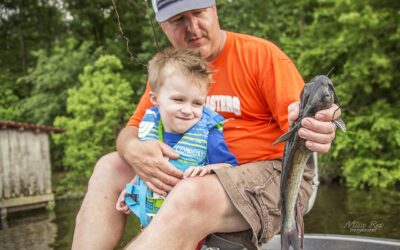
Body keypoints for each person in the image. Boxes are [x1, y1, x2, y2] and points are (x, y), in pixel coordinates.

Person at [71, 1, 342, 250]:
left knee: (191, 193)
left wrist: (318, 127)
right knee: (109, 167)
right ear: (163, 26)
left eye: (198, 12)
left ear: (213, 8)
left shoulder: (262, 55)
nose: (193, 28)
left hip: (273, 173)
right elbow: (131, 130)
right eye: (178, 19)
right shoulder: (173, 73)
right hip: (191, 169)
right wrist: (133, 150)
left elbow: (302, 122)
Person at [115, 47, 238, 227]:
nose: (188, 110)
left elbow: (230, 167)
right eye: (179, 100)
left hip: (187, 225)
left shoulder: (208, 134)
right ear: (155, 99)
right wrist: (131, 189)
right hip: (151, 221)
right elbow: (145, 171)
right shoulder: (150, 127)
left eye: (197, 103)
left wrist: (211, 168)